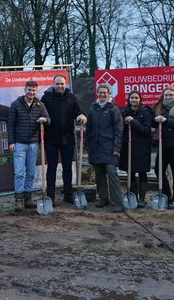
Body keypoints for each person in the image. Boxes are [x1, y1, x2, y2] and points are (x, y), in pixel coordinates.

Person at [40, 74, 87, 205]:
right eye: (57, 84)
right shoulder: (47, 97)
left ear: (65, 84)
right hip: (51, 139)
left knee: (67, 167)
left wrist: (81, 116)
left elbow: (78, 111)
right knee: (52, 168)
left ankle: (68, 195)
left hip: (68, 139)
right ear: (53, 84)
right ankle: (51, 196)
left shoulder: (71, 97)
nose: (60, 86)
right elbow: (40, 112)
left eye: (62, 84)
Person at [8, 80, 50, 212]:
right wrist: (11, 142)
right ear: (24, 89)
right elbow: (10, 125)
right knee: (19, 173)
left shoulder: (40, 105)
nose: (31, 93)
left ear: (36, 91)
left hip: (33, 144)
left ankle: (28, 199)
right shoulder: (16, 105)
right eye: (29, 90)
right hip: (19, 144)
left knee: (31, 173)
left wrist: (44, 120)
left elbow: (48, 120)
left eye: (33, 91)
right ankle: (19, 201)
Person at [85, 83, 123, 211]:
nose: (102, 95)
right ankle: (103, 198)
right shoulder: (93, 108)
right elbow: (88, 128)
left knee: (112, 173)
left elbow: (119, 130)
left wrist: (117, 148)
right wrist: (87, 144)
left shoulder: (113, 109)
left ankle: (117, 201)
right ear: (97, 93)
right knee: (99, 174)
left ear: (109, 94)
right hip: (95, 147)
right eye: (100, 92)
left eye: (104, 93)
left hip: (109, 147)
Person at [118, 91, 152, 208]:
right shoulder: (124, 112)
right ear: (129, 99)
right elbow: (120, 128)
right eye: (132, 98)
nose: (134, 100)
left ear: (140, 99)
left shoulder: (145, 112)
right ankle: (132, 196)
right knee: (130, 172)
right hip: (128, 147)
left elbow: (146, 130)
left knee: (142, 173)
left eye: (136, 98)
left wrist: (133, 121)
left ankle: (142, 199)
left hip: (142, 148)